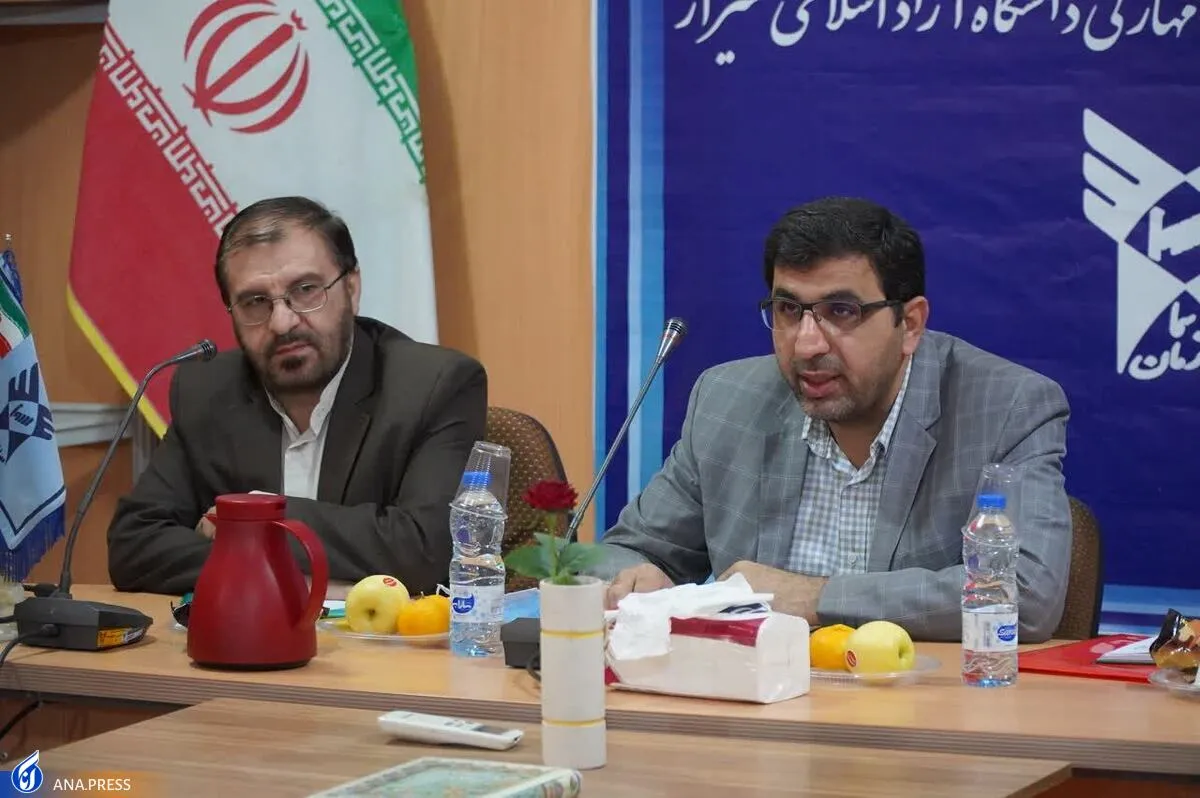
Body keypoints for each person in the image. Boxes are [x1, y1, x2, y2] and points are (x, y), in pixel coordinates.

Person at [595, 197, 1072, 642]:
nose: (807, 344)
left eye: (841, 311)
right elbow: (624, 553)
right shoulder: (727, 401)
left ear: (909, 324)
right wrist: (636, 579)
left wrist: (816, 598)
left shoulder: (1006, 407)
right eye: (788, 309)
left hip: (917, 696)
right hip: (756, 693)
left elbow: (1023, 592)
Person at [107, 196, 487, 596]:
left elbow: (428, 550)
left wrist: (256, 522)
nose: (282, 322)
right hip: (246, 632)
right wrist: (284, 576)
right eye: (255, 302)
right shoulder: (207, 390)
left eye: (305, 290)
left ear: (351, 289)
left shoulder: (433, 385)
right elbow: (135, 546)